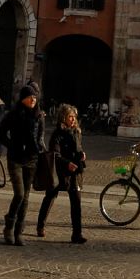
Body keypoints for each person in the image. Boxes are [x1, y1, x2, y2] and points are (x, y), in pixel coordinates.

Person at [0, 83, 45, 245]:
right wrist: (12, 145)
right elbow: (1, 133)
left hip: (32, 159)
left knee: (26, 197)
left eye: (35, 97)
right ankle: (8, 227)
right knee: (19, 194)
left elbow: (40, 137)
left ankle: (18, 232)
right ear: (23, 98)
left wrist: (40, 150)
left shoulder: (39, 115)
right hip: (16, 158)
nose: (33, 99)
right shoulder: (13, 114)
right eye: (30, 97)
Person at [35, 103, 88, 243]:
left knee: (76, 202)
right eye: (70, 117)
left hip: (75, 170)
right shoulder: (58, 134)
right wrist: (66, 163)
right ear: (64, 117)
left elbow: (78, 148)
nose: (72, 119)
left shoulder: (77, 131)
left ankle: (77, 233)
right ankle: (40, 225)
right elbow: (54, 154)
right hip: (60, 171)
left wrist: (82, 155)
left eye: (74, 117)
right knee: (50, 197)